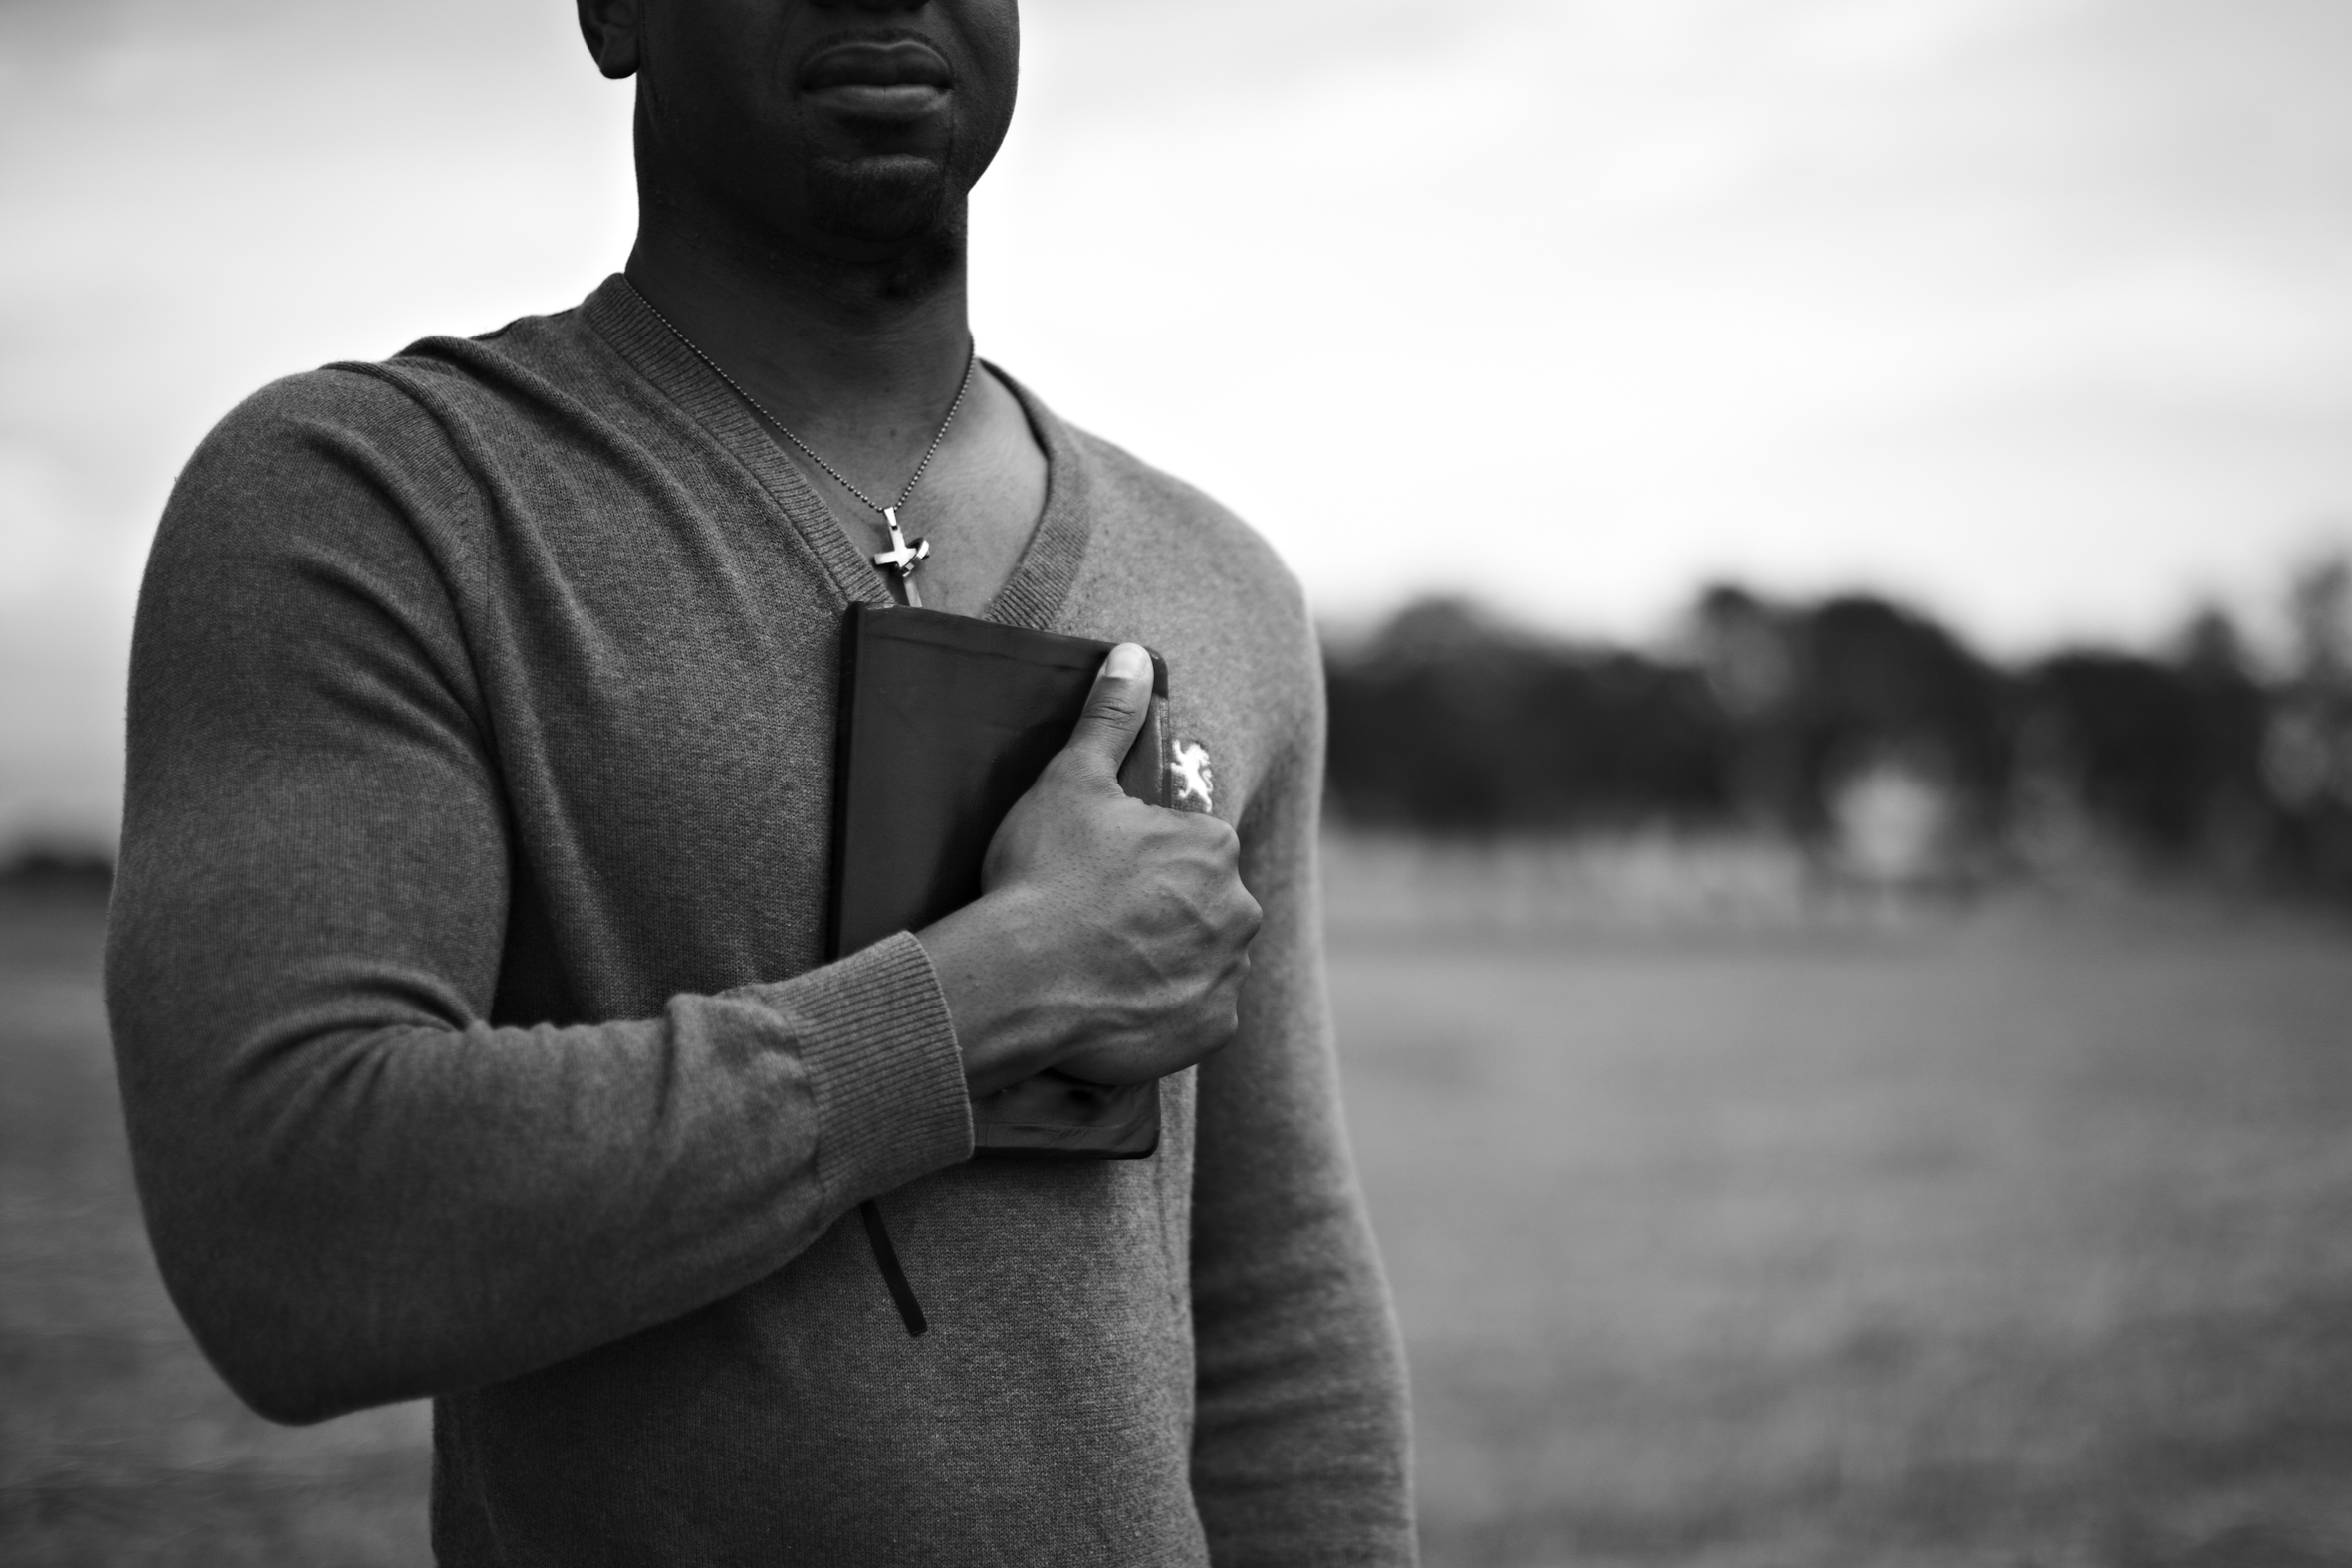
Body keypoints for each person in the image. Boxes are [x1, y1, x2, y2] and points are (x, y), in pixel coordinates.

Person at [104, 0, 1416, 1562]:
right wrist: (978, 999)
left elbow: (1271, 1303)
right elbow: (294, 1235)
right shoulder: (381, 501)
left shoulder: (1218, 585)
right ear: (613, 13)